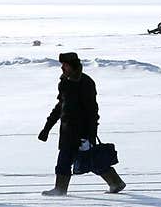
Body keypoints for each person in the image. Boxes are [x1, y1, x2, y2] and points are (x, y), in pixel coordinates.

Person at [38, 52, 125, 196]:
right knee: (84, 159)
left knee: (80, 159)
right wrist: (46, 128)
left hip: (81, 131)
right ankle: (115, 183)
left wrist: (91, 134)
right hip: (67, 129)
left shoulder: (85, 83)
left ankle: (60, 189)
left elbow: (92, 110)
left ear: (72, 65)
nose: (62, 68)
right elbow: (60, 106)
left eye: (64, 65)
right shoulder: (65, 82)